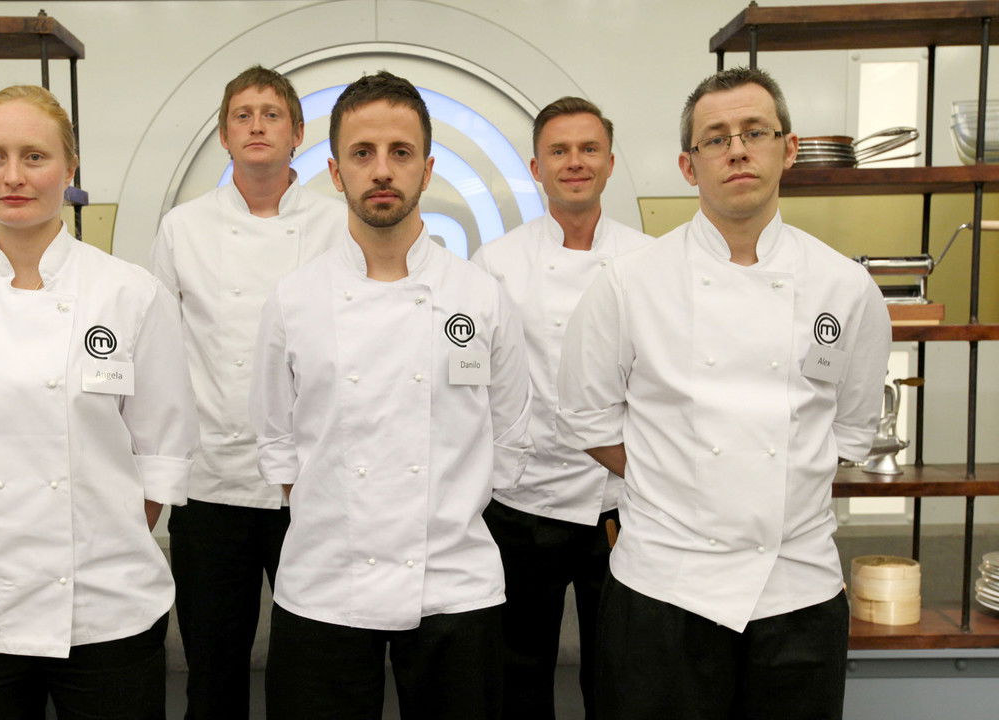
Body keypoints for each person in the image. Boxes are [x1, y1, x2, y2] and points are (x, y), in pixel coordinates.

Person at [558, 67, 891, 720]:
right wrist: (677, 478)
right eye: (716, 138)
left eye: (755, 132)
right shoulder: (629, 283)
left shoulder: (845, 288)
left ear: (788, 149)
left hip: (798, 590)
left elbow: (850, 432)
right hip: (663, 587)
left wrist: (773, 477)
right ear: (689, 165)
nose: (737, 150)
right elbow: (588, 417)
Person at [0, 85, 197, 720]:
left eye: (34, 157)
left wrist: (95, 541)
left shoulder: (130, 295)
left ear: (70, 169)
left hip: (105, 602)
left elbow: (160, 451)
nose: (13, 176)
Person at [251, 70, 533, 720]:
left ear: (428, 170)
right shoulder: (294, 301)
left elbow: (510, 436)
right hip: (325, 583)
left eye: (400, 152)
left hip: (455, 584)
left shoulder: (480, 297)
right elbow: (277, 442)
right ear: (335, 171)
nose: (382, 170)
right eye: (363, 153)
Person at [150, 65, 346, 720]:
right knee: (212, 669)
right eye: (243, 114)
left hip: (311, 483)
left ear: (297, 133)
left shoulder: (338, 224)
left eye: (271, 114)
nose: (256, 125)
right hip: (212, 481)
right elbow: (161, 355)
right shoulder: (183, 227)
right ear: (223, 135)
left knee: (313, 666)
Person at [470, 96, 651, 720]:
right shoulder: (496, 264)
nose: (575, 162)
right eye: (559, 151)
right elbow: (479, 384)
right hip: (524, 498)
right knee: (519, 670)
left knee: (618, 671)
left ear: (609, 162)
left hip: (620, 499)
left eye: (588, 149)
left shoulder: (648, 259)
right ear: (536, 168)